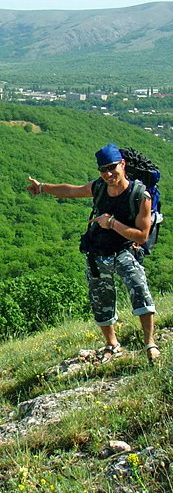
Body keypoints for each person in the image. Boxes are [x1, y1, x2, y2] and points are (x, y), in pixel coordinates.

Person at [27, 143, 159, 363]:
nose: (108, 174)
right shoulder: (99, 187)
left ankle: (149, 343)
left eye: (112, 167)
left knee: (139, 291)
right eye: (102, 169)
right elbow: (71, 190)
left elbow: (141, 236)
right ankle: (112, 344)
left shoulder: (139, 195)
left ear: (123, 165)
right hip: (97, 252)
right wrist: (42, 187)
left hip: (125, 251)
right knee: (101, 301)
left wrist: (112, 223)